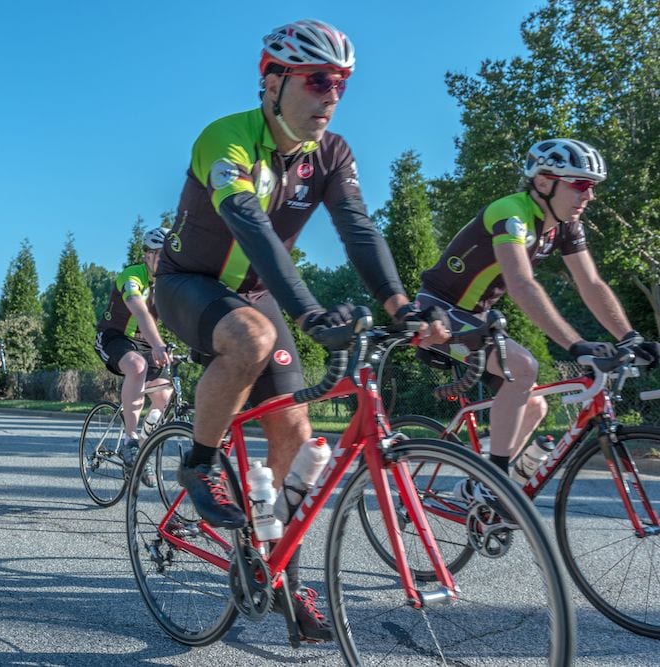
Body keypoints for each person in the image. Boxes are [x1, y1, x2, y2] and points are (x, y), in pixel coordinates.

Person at [153, 19, 447, 642]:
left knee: (295, 430)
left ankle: (277, 567)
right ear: (273, 81)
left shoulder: (332, 153)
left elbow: (359, 229)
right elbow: (251, 229)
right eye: (318, 81)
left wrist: (399, 306)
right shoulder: (226, 139)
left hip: (257, 295)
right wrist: (311, 312)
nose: (332, 95)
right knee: (253, 339)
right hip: (191, 283)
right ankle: (199, 464)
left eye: (340, 83)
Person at [417, 138, 660, 505]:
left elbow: (591, 284)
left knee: (535, 405)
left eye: (592, 186)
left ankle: (474, 482)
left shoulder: (565, 226)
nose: (589, 196)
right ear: (545, 182)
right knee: (524, 367)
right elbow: (520, 283)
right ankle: (493, 482)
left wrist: (629, 337)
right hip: (438, 309)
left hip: (476, 317)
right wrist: (575, 345)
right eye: (579, 185)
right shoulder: (511, 213)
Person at [94, 227, 173, 487]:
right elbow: (139, 310)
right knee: (137, 366)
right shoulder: (132, 276)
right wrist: (158, 344)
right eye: (159, 255)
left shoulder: (169, 282)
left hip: (143, 342)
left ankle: (144, 447)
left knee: (165, 392)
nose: (164, 261)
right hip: (113, 337)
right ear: (147, 255)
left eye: (169, 256)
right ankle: (130, 440)